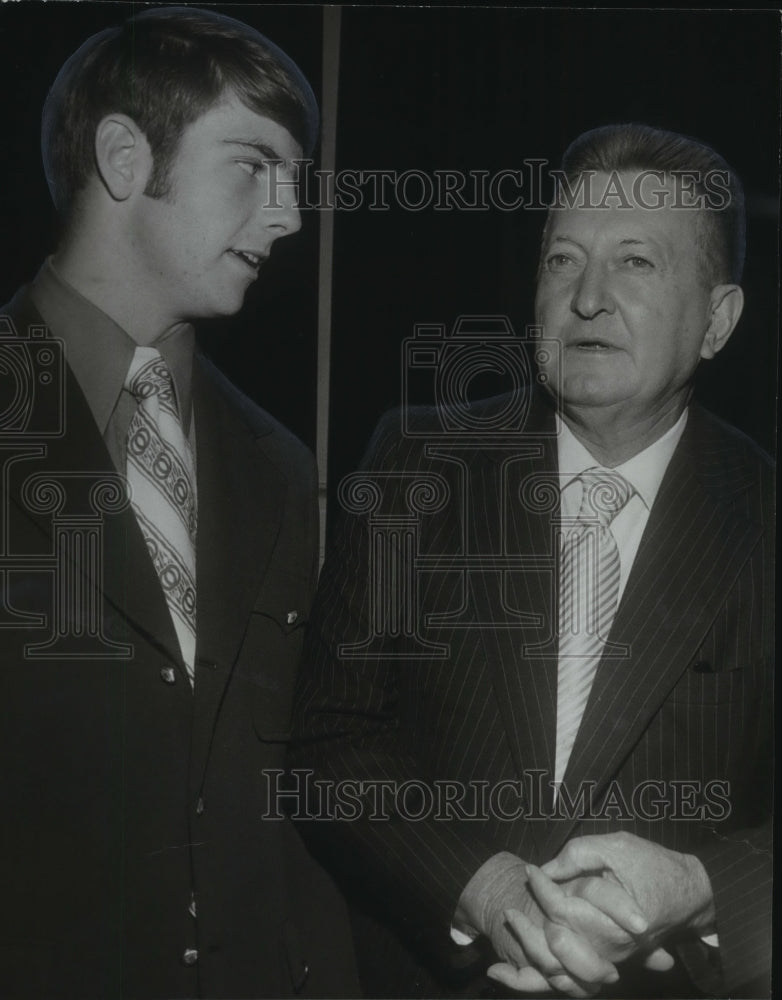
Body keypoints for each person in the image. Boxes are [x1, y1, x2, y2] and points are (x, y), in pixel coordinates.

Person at [291, 124, 772, 998]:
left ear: (718, 319)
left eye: (635, 262)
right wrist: (483, 887)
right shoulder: (416, 465)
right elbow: (329, 743)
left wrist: (701, 892)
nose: (588, 298)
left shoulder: (766, 519)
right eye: (562, 260)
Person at [0, 8, 357, 998]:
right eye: (253, 166)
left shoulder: (279, 466)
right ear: (122, 156)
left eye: (296, 183)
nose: (287, 217)